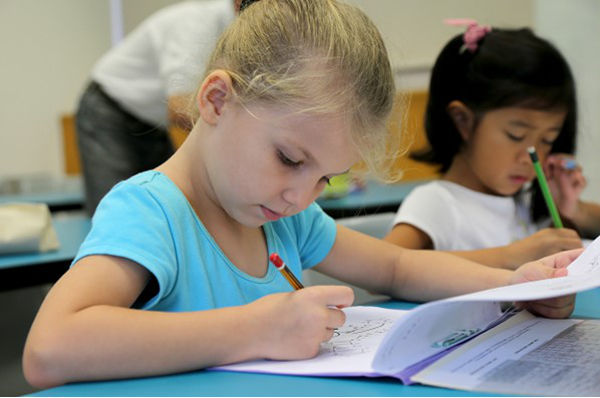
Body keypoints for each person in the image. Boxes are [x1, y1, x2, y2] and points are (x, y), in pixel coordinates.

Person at [24, 2, 579, 388]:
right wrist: (257, 329)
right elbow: (49, 350)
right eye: (289, 159)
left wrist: (510, 284)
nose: (299, 194)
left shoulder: (283, 216)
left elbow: (399, 268)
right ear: (217, 100)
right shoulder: (151, 211)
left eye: (324, 178)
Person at [384, 21, 600, 270]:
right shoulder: (437, 204)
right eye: (516, 135)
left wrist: (575, 210)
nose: (532, 156)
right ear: (462, 121)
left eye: (548, 140)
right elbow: (385, 266)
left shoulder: (524, 202)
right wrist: (509, 256)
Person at [75, 0, 238, 215]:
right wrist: (235, 140)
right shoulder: (197, 24)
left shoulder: (241, 34)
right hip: (109, 111)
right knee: (114, 211)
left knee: (171, 205)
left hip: (152, 123)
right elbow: (179, 106)